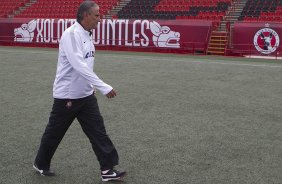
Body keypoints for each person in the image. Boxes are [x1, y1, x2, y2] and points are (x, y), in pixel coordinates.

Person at [33, 1, 126, 182]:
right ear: (85, 15)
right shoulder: (71, 34)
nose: (100, 19)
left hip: (86, 96)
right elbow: (78, 66)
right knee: (54, 133)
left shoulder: (87, 34)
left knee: (98, 132)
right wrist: (103, 86)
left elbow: (86, 66)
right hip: (67, 96)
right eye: (97, 15)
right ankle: (40, 163)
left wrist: (91, 88)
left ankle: (107, 169)